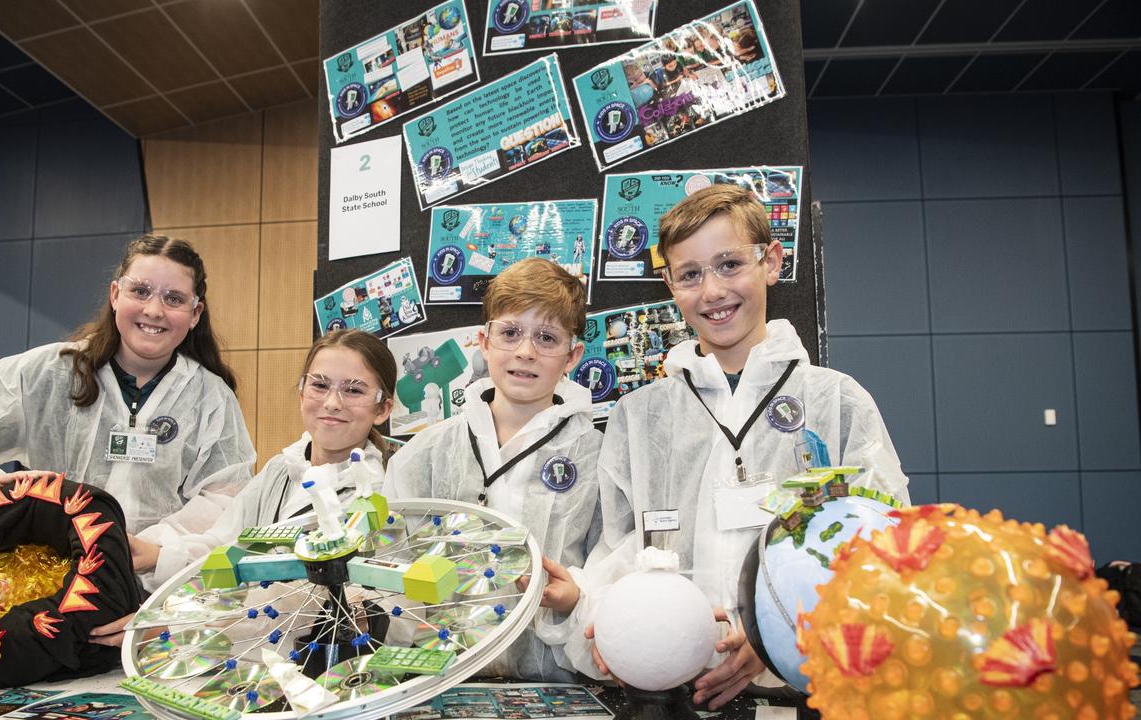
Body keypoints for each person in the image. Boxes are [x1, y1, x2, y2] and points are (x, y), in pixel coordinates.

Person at [545, 185, 910, 708]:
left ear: (772, 261)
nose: (712, 291)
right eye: (690, 274)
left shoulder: (835, 402)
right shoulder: (640, 416)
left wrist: (777, 639)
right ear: (670, 284)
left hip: (801, 692)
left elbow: (883, 550)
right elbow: (618, 549)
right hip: (671, 693)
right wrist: (607, 619)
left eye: (730, 264)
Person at [0, 235, 256, 590]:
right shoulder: (48, 373)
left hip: (155, 593)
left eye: (173, 298)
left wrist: (156, 550)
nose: (154, 310)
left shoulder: (210, 397)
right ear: (116, 295)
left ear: (195, 313)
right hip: (47, 584)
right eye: (140, 291)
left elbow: (226, 500)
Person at [89, 329, 394, 647]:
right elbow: (228, 546)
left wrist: (180, 626)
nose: (332, 403)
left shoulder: (378, 495)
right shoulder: (281, 469)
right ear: (302, 391)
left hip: (311, 665)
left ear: (383, 408)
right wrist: (155, 555)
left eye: (354, 390)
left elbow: (299, 602)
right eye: (319, 385)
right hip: (244, 655)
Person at [384, 258, 603, 682]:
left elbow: (610, 564)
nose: (525, 351)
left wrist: (579, 596)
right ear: (483, 343)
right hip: (441, 678)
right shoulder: (427, 451)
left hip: (554, 680)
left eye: (546, 337)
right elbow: (392, 562)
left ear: (572, 355)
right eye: (510, 333)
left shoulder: (596, 455)